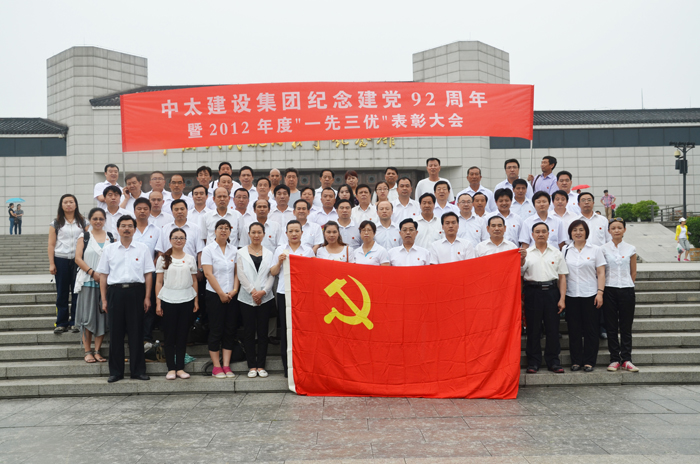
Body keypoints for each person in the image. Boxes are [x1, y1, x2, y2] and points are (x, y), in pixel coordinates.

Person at [96, 215, 155, 383]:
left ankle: (138, 371)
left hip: (136, 292)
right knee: (116, 333)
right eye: (123, 226)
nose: (127, 229)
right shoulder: (109, 249)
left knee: (136, 333)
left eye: (130, 226)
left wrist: (147, 297)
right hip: (115, 293)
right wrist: (104, 299)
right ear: (118, 229)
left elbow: (148, 274)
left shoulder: (142, 248)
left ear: (135, 229)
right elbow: (103, 276)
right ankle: (116, 372)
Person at [521, 222, 568, 374]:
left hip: (551, 292)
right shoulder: (526, 253)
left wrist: (562, 298)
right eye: (537, 232)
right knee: (533, 329)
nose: (540, 234)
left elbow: (562, 277)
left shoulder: (556, 253)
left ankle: (553, 361)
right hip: (532, 292)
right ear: (532, 235)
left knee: (553, 329)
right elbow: (519, 275)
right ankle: (533, 362)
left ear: (548, 234)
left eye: (543, 231)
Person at [270, 220, 315, 376]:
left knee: (302, 329)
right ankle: (287, 367)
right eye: (291, 231)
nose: (294, 234)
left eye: (297, 231)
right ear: (286, 233)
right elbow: (273, 272)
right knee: (286, 329)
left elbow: (312, 273)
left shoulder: (308, 251)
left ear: (302, 232)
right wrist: (279, 262)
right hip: (284, 293)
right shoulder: (280, 250)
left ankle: (303, 365)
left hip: (302, 294)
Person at [563, 220, 606, 372]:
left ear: (586, 232)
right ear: (570, 233)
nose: (578, 233)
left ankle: (589, 361)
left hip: (591, 294)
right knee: (574, 329)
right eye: (575, 230)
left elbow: (601, 272)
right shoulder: (565, 250)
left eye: (581, 230)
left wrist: (600, 292)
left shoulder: (595, 249)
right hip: (571, 294)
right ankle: (576, 361)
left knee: (591, 330)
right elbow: (562, 274)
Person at [155, 228, 198, 380]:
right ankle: (171, 368)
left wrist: (196, 300)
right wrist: (158, 303)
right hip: (168, 300)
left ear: (185, 240)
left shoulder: (190, 258)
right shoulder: (163, 259)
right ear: (170, 240)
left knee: (182, 335)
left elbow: (194, 281)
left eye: (181, 238)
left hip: (186, 299)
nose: (178, 240)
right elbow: (159, 282)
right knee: (169, 335)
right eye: (175, 238)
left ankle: (180, 368)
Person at [74, 207, 114, 363]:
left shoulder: (111, 237)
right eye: (95, 219)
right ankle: (87, 351)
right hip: (88, 281)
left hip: (107, 284)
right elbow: (78, 258)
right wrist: (92, 273)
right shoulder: (84, 236)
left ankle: (97, 350)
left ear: (105, 220)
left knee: (102, 317)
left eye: (101, 219)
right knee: (87, 316)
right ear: (90, 220)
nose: (98, 221)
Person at [201, 219, 239, 378]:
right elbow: (208, 274)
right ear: (215, 231)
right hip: (214, 295)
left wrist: (234, 290)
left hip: (232, 295)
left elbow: (237, 273)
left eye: (226, 228)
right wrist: (221, 294)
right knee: (216, 329)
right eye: (220, 228)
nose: (223, 231)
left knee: (230, 329)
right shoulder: (208, 250)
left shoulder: (234, 250)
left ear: (230, 232)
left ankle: (226, 365)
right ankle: (216, 366)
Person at [238, 222, 276, 378]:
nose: (256, 235)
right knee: (249, 332)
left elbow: (271, 274)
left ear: (264, 234)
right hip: (246, 298)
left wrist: (263, 292)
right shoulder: (241, 252)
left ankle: (261, 366)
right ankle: (251, 366)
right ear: (249, 234)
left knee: (262, 332)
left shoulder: (269, 253)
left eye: (259, 232)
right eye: (253, 232)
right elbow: (241, 275)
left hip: (265, 298)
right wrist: (253, 292)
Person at [602, 218, 639, 373]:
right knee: (611, 326)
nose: (616, 230)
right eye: (613, 228)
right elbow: (601, 271)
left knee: (626, 326)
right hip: (609, 289)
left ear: (624, 230)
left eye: (619, 227)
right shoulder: (603, 249)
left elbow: (633, 271)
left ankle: (626, 359)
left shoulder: (631, 248)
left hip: (626, 289)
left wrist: (628, 284)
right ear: (609, 231)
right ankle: (614, 359)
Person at [49, 194, 87, 334]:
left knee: (77, 291)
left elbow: (88, 240)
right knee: (62, 292)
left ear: (76, 204)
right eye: (65, 202)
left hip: (78, 260)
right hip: (61, 259)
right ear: (61, 205)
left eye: (71, 202)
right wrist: (52, 263)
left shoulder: (83, 222)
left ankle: (75, 322)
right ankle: (61, 322)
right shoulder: (56, 223)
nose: (69, 204)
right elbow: (51, 244)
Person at [131, 197, 162, 344]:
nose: (142, 211)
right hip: (132, 273)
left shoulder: (156, 230)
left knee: (149, 305)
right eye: (139, 209)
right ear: (134, 211)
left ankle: (147, 337)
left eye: (145, 209)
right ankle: (134, 335)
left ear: (150, 211)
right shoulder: (128, 228)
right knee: (134, 305)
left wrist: (152, 265)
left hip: (151, 273)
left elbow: (160, 252)